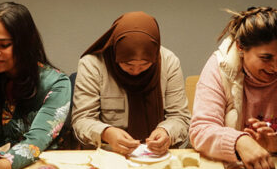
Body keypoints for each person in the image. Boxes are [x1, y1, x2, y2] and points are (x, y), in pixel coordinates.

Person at [189, 7, 277, 169]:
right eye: (266, 58)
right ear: (240, 48)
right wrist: (240, 142)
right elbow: (201, 129)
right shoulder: (219, 67)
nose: (276, 67)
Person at [0, 1, 71, 169]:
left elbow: (37, 140)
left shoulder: (56, 83)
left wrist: (5, 163)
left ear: (24, 44)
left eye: (3, 45)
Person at [72, 11, 190, 154]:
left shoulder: (168, 62)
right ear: (116, 52)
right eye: (127, 64)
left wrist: (166, 131)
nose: (136, 71)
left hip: (156, 155)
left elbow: (180, 117)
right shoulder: (93, 64)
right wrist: (106, 133)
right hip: (108, 154)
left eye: (145, 64)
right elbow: (82, 119)